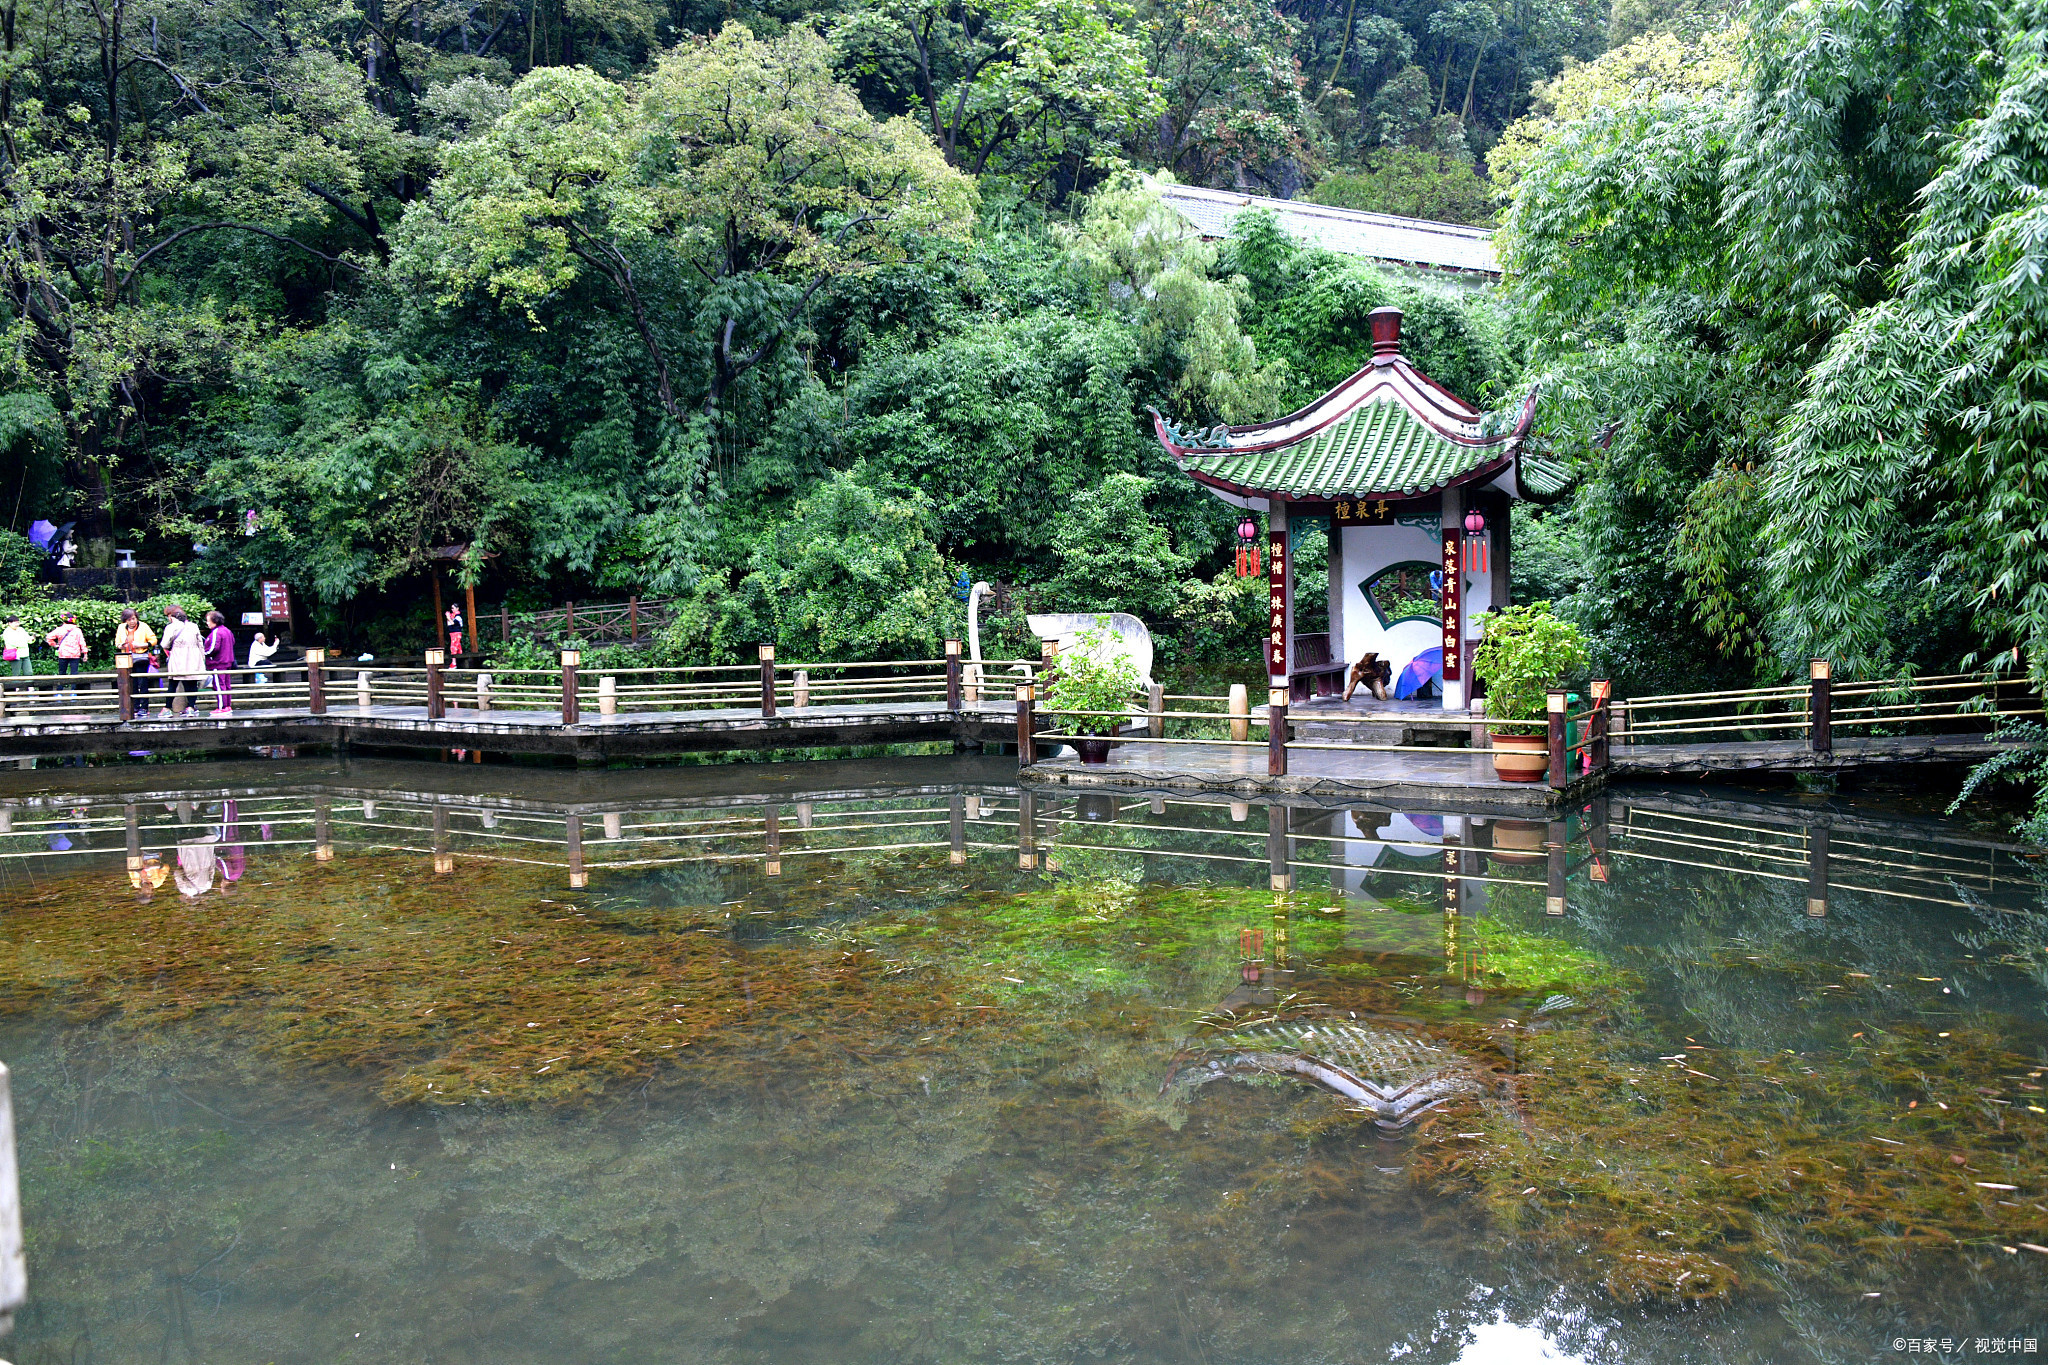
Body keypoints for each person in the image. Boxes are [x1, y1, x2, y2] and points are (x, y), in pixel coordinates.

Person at [161, 605, 206, 715]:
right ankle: (191, 707)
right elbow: (200, 643)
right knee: (191, 683)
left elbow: (164, 644)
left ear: (172, 617)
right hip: (194, 656)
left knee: (173, 683)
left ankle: (167, 708)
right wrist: (202, 658)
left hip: (178, 656)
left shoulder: (171, 627)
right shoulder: (193, 626)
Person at [115, 608, 157, 713]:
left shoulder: (143, 626)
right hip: (127, 657)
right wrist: (122, 645)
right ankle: (135, 706)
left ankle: (144, 707)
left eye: (133, 619)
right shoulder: (121, 627)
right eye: (129, 620)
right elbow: (117, 643)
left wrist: (142, 644)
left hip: (141, 657)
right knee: (131, 683)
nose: (132, 621)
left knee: (142, 682)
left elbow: (153, 640)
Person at [44, 611, 85, 700]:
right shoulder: (77, 630)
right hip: (75, 654)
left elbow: (49, 637)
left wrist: (54, 644)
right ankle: (73, 693)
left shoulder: (59, 629)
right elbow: (82, 642)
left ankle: (59, 692)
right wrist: (85, 653)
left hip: (63, 654)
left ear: (64, 620)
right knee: (74, 673)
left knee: (62, 673)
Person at [203, 610, 235, 715]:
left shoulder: (216, 632)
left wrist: (204, 653)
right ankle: (228, 706)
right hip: (227, 662)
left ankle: (221, 706)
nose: (207, 623)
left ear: (214, 621)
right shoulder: (227, 630)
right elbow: (233, 642)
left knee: (219, 685)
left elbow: (213, 648)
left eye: (208, 621)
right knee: (226, 684)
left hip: (218, 663)